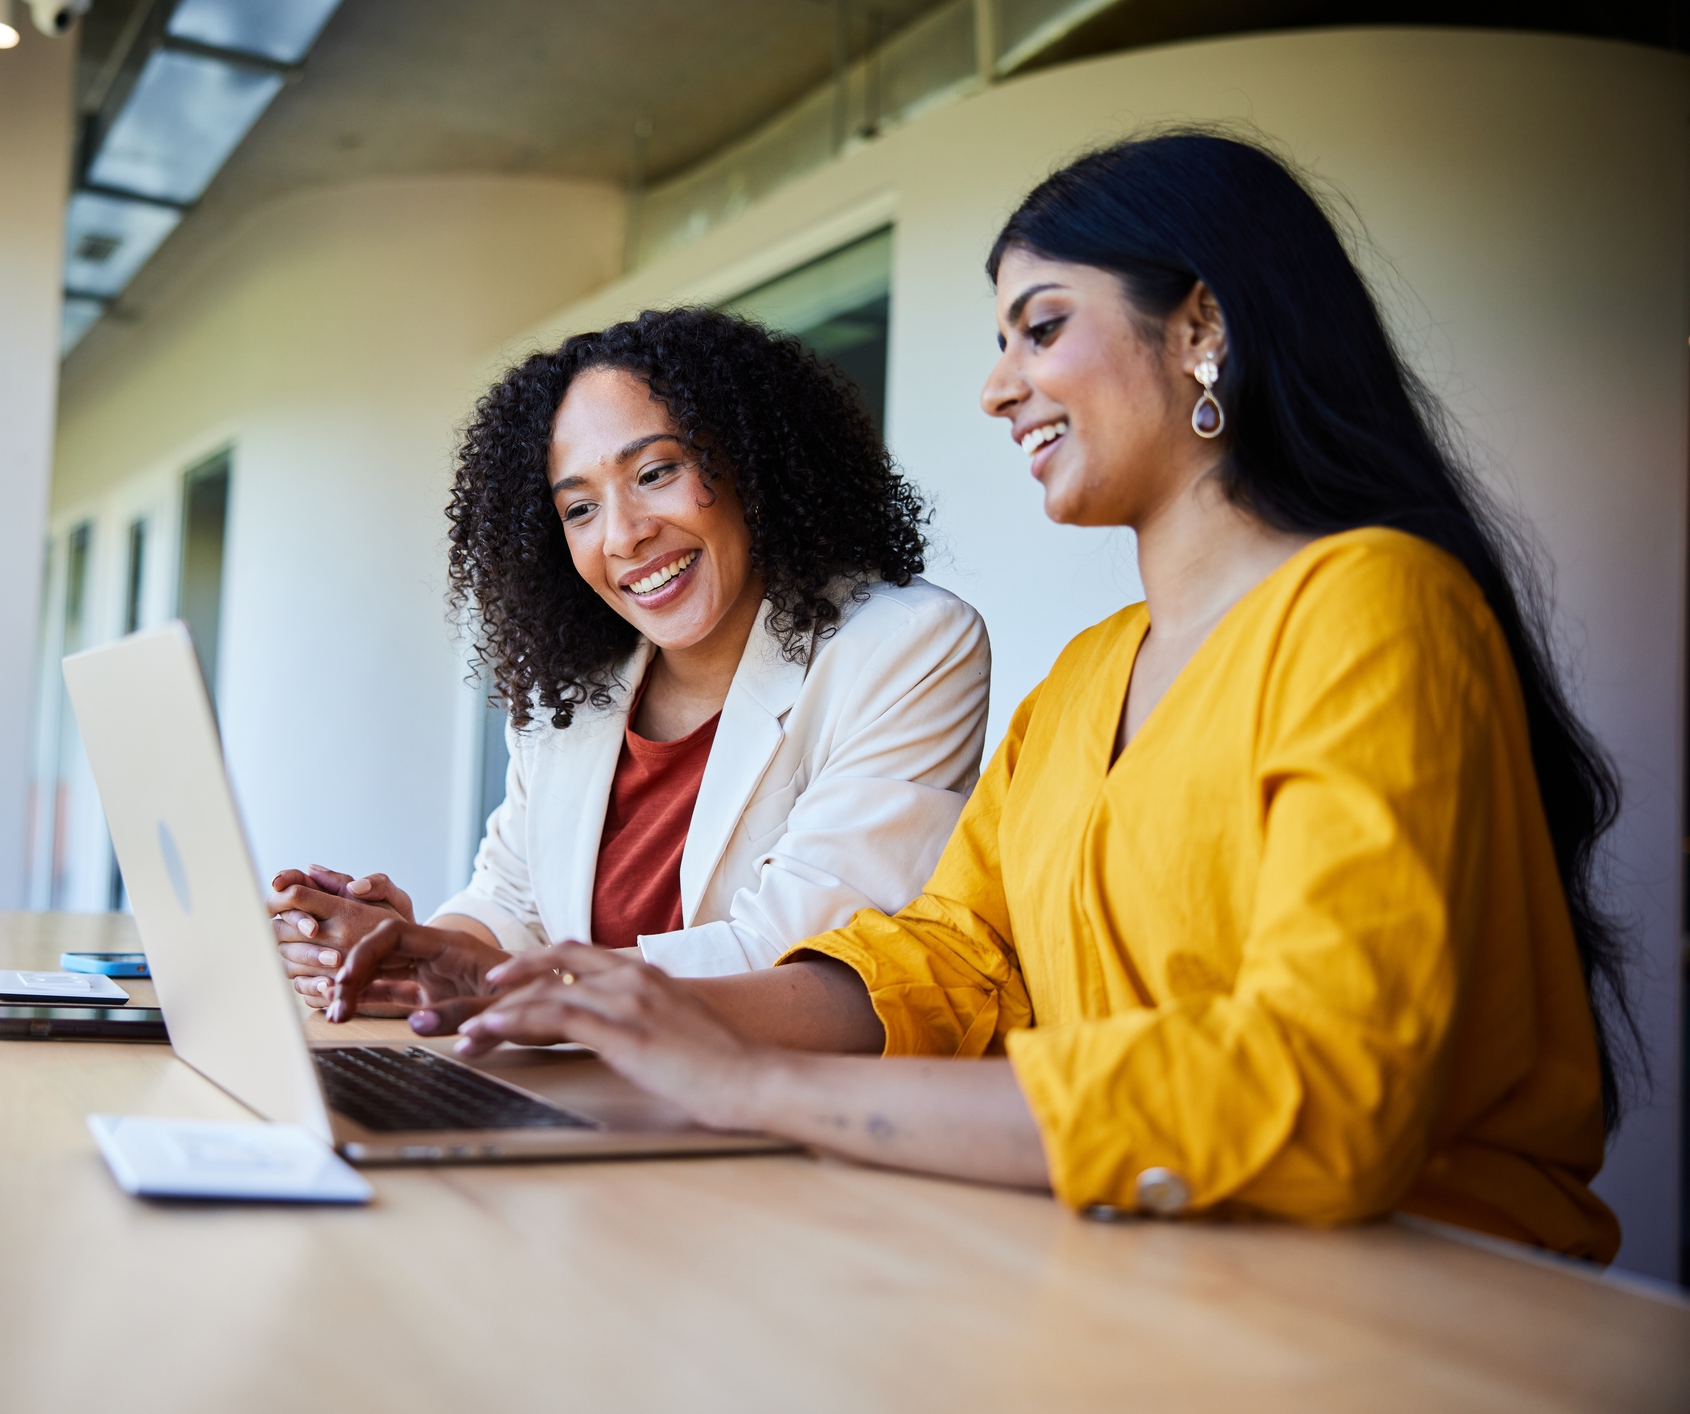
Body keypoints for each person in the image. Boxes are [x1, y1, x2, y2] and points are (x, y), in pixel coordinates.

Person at [331, 131, 1636, 1262]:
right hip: (1136, 1245)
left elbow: (1319, 1088)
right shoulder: (1084, 680)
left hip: (1420, 1285)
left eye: (1044, 326)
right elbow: (945, 965)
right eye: (1000, 339)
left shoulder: (1371, 602)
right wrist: (610, 998)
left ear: (1201, 327)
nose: (999, 385)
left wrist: (757, 1081)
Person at [273, 307, 991, 1009]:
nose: (623, 536)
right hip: (577, 1096)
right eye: (579, 509)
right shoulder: (575, 692)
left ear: (753, 462)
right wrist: (407, 951)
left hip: (765, 1112)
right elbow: (509, 906)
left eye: (655, 472)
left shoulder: (909, 646)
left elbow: (802, 954)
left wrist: (484, 976)